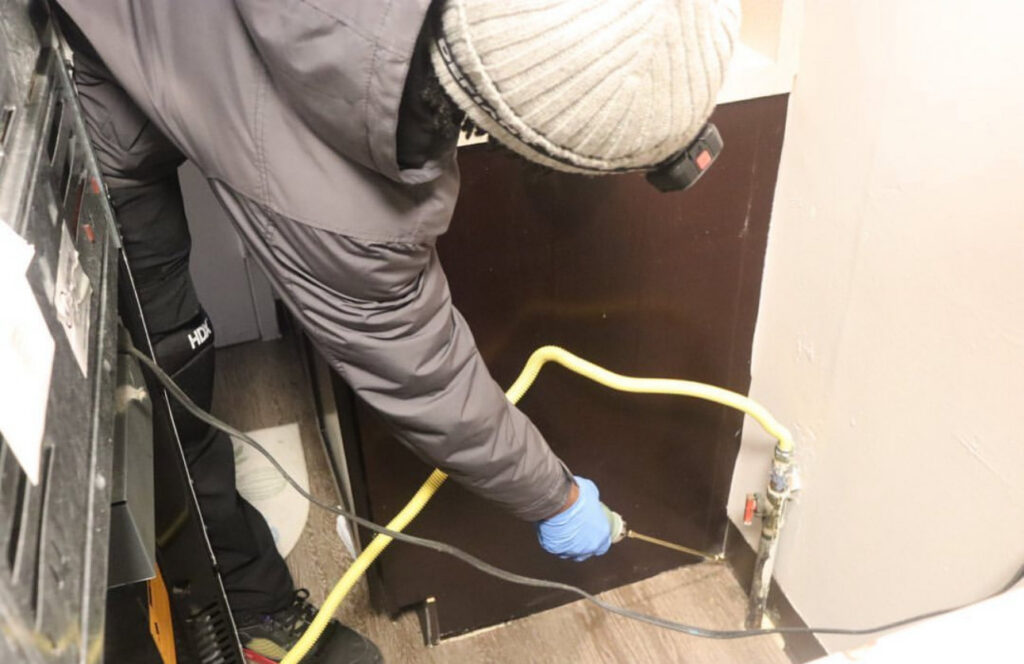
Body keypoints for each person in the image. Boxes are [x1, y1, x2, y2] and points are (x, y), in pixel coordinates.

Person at [54, 0, 738, 661]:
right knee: (173, 380)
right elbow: (427, 380)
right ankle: (232, 598)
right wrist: (553, 498)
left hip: (161, 32)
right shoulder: (347, 210)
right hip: (91, 64)